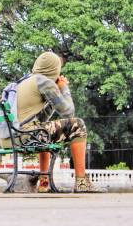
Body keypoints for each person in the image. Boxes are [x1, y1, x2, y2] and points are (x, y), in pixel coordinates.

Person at [7, 51, 100, 193]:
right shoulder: (43, 81)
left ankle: (44, 183)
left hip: (13, 137)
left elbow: (41, 120)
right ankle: (82, 182)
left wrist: (51, 100)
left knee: (44, 130)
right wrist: (64, 88)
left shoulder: (24, 81)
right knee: (78, 125)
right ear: (54, 69)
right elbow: (69, 112)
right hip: (27, 135)